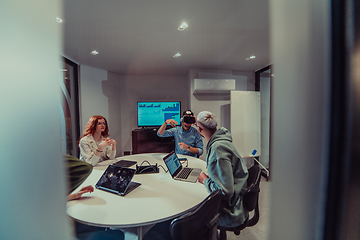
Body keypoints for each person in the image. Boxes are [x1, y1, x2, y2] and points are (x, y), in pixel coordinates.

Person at [196, 111, 249, 228]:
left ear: (199, 130)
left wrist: (205, 180)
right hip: (237, 201)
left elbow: (225, 192)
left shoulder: (217, 149)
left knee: (191, 215)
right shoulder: (223, 140)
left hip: (230, 212)